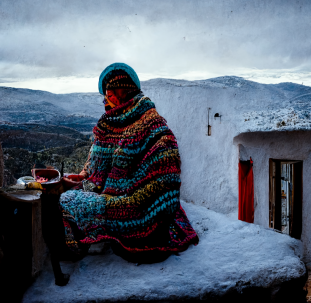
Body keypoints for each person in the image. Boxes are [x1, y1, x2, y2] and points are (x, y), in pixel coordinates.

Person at [47, 63, 199, 285]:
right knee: (70, 198)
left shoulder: (153, 126)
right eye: (106, 95)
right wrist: (84, 176)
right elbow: (97, 166)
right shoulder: (109, 124)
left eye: (110, 95)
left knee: (68, 201)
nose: (106, 100)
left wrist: (120, 197)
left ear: (124, 93)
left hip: (141, 208)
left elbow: (164, 181)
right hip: (118, 197)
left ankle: (76, 252)